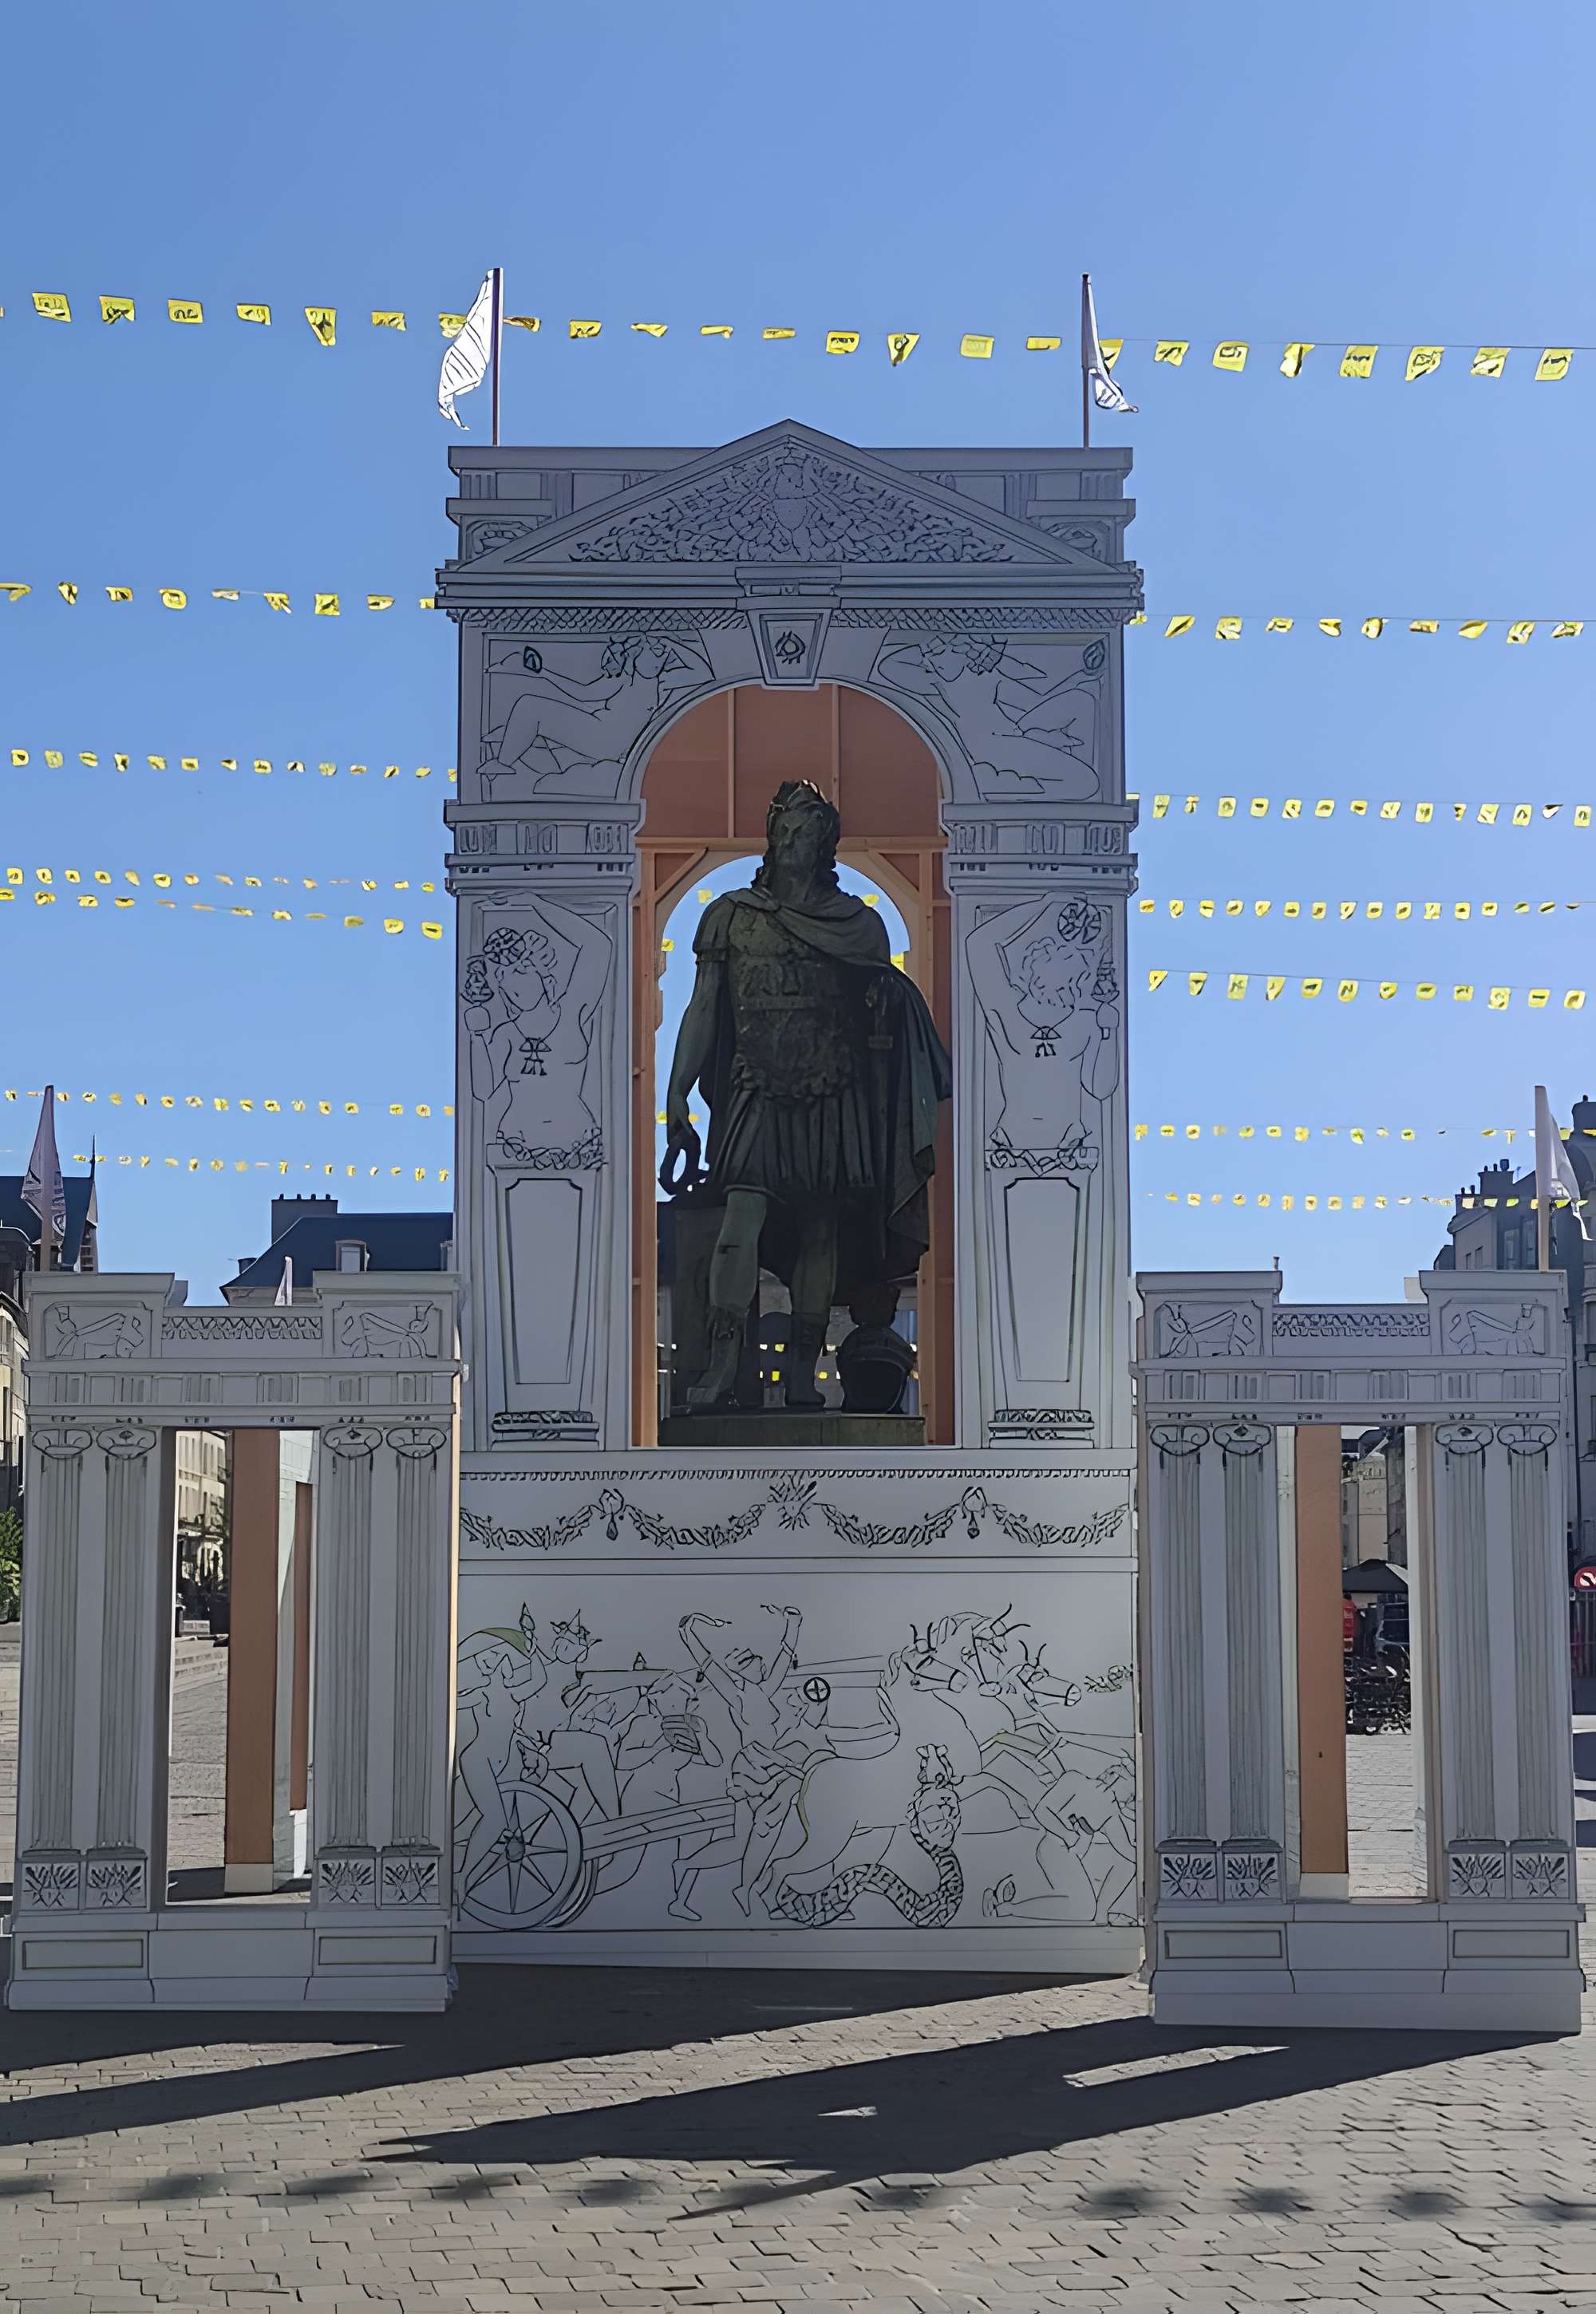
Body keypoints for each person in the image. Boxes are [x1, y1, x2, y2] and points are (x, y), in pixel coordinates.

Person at [659, 780, 951, 1410]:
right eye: (785, 830)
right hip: (753, 1085)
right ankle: (720, 1363)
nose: (792, 841)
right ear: (771, 837)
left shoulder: (860, 925)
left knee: (823, 1230)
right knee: (740, 1221)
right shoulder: (730, 916)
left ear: (826, 844)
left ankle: (799, 1374)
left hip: (833, 1086)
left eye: (806, 831)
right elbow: (703, 1009)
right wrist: (677, 1095)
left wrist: (888, 1005)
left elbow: (885, 1008)